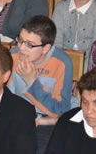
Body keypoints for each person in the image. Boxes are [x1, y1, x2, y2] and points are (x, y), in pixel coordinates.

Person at [8, 16, 73, 154]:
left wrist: (32, 83)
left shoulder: (62, 62)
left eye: (29, 45)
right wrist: (38, 120)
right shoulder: (12, 56)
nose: (21, 48)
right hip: (18, 119)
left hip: (46, 127)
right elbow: (5, 99)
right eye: (20, 40)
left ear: (46, 48)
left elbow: (61, 110)